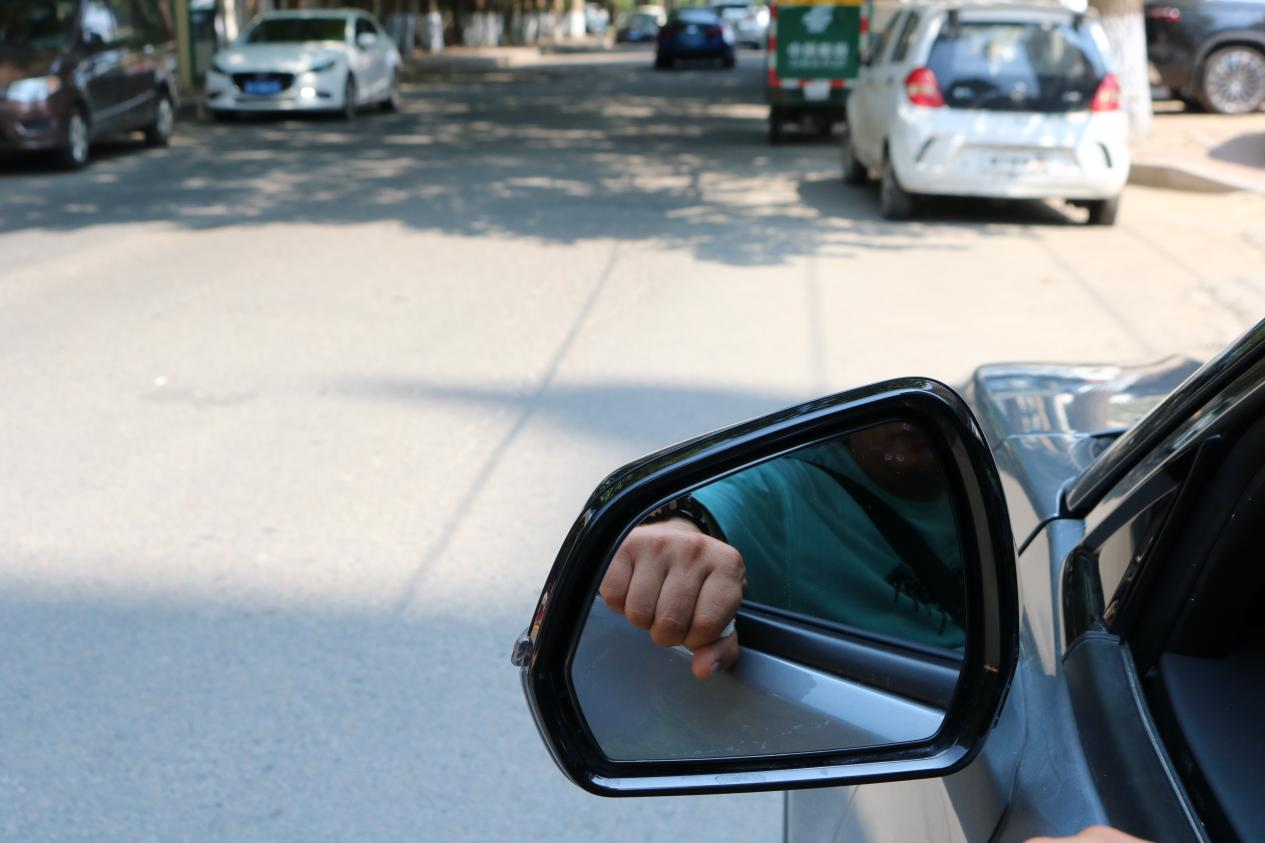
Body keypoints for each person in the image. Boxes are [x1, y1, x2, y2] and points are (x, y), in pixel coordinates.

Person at [599, 420, 965, 679]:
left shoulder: (969, 475)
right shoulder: (790, 488)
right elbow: (720, 505)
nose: (906, 426)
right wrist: (679, 531)